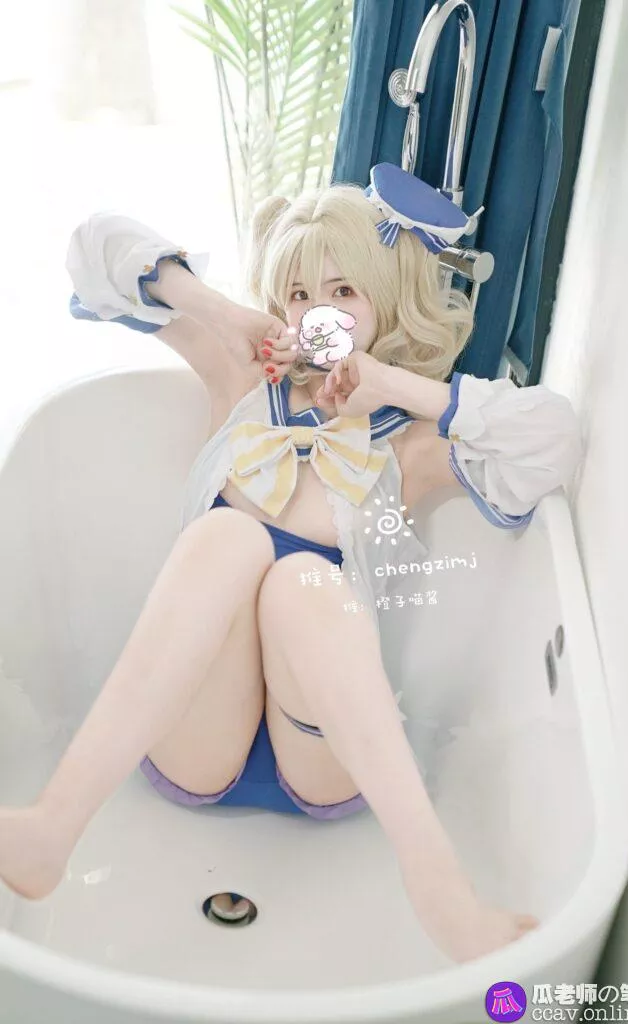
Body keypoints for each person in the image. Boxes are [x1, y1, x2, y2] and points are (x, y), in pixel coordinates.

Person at [0, 179, 582, 965]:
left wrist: (393, 387)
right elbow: (93, 247)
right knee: (227, 540)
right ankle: (53, 827)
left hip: (325, 748)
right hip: (195, 734)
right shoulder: (242, 380)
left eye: (343, 290)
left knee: (301, 583)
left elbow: (553, 439)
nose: (317, 311)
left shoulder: (407, 446)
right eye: (299, 292)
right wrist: (222, 314)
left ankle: (437, 884)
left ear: (383, 298)